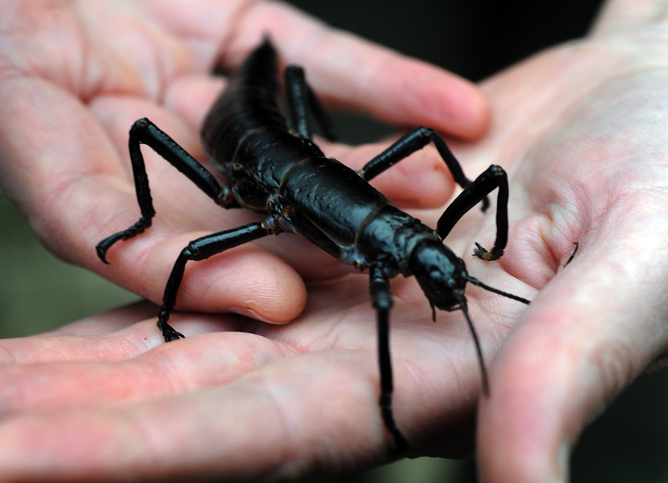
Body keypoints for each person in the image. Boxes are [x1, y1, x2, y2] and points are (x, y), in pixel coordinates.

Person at [0, 0, 666, 481]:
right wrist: (166, 304)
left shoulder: (389, 241)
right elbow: (188, 247)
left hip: (294, 143)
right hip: (242, 143)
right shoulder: (340, 249)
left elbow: (483, 176)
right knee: (167, 183)